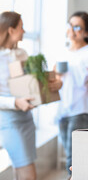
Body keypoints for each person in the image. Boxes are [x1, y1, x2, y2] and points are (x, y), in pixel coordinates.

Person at [0, 11, 62, 180]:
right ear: (11, 30)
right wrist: (15, 102)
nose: (24, 31)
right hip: (9, 121)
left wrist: (54, 85)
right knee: (29, 174)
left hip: (27, 119)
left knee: (20, 171)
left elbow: (32, 86)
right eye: (21, 27)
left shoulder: (23, 54)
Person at [56, 11, 88, 176]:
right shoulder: (63, 53)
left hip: (81, 110)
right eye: (70, 25)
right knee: (70, 154)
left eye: (77, 27)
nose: (72, 30)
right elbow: (57, 84)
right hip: (63, 110)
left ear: (87, 32)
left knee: (73, 159)